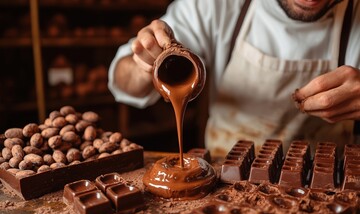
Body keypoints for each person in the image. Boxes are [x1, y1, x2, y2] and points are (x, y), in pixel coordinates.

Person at [108, 0, 360, 156]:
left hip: (327, 191)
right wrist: (144, 62)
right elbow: (122, 78)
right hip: (224, 180)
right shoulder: (216, 5)